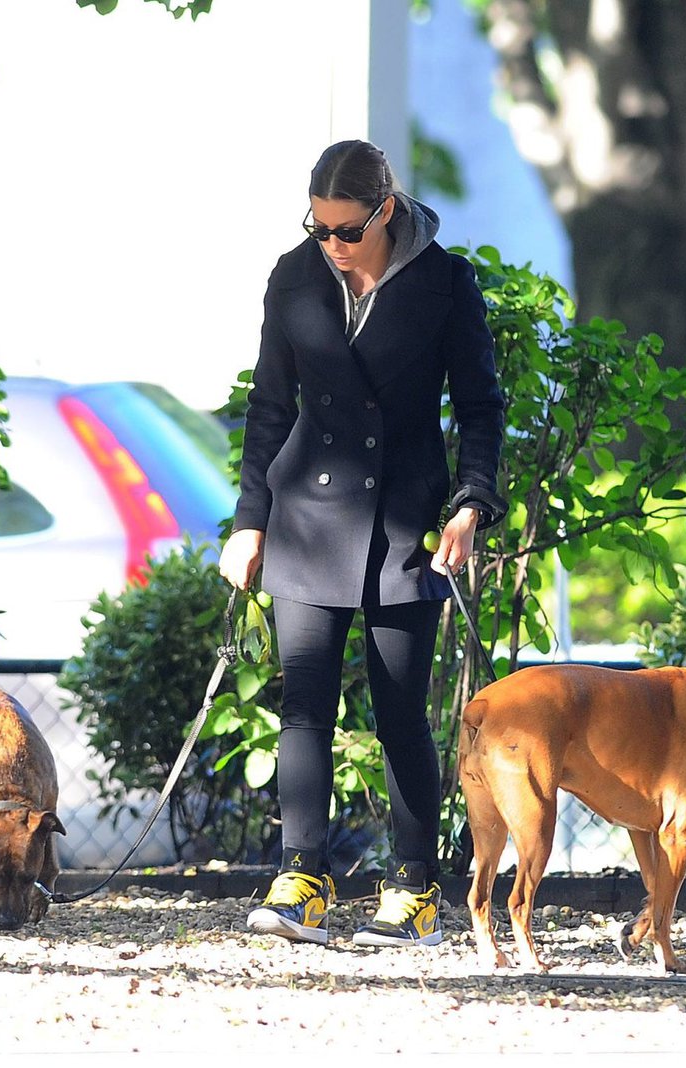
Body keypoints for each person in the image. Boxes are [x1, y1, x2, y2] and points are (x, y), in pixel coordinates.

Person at [218, 139, 505, 948]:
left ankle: (416, 889)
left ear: (385, 211)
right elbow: (268, 406)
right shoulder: (294, 275)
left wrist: (472, 502)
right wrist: (249, 521)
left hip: (403, 525)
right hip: (305, 518)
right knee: (302, 703)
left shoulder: (445, 284)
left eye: (346, 231)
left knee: (399, 714)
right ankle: (300, 878)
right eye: (319, 229)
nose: (332, 246)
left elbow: (480, 407)